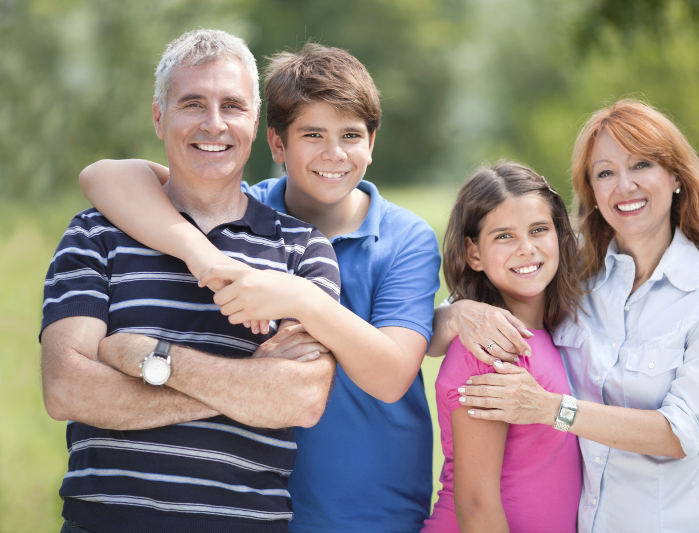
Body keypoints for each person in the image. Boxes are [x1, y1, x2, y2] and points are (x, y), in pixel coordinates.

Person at [78, 43, 441, 532]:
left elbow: (391, 374)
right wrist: (202, 254)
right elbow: (105, 177)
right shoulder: (245, 213)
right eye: (313, 134)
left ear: (372, 143)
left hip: (372, 506)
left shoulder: (404, 238)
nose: (334, 153)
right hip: (268, 505)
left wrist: (299, 298)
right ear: (276, 144)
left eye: (351, 135)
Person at [41, 29, 342, 533]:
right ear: (159, 117)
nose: (214, 123)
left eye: (232, 105)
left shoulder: (303, 249)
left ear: (255, 122)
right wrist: (244, 390)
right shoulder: (94, 233)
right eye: (192, 103)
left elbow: (301, 399)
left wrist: (151, 359)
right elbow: (66, 388)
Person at [436, 99, 699, 533]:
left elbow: (680, 434)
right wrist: (459, 313)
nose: (624, 186)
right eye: (605, 172)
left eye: (642, 165)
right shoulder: (577, 269)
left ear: (676, 175)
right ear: (592, 191)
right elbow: (461, 317)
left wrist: (551, 409)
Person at [421, 163, 582, 533]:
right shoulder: (490, 346)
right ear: (473, 253)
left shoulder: (552, 333)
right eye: (504, 236)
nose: (527, 249)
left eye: (539, 230)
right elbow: (477, 505)